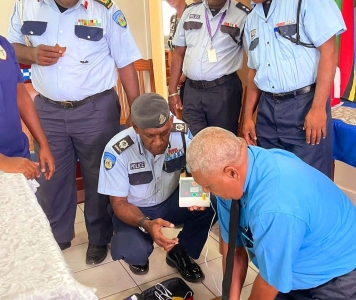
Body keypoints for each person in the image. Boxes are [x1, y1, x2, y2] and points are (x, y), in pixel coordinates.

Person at [187, 127, 356, 300]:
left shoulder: (275, 204)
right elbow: (234, 251)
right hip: (297, 264)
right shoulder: (236, 178)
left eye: (207, 186)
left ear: (231, 173)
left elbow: (270, 280)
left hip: (343, 268)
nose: (206, 192)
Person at [8, 0, 141, 264]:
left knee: (99, 177)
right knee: (51, 176)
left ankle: (99, 238)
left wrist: (138, 113)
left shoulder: (106, 9)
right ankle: (58, 235)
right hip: (47, 109)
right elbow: (10, 49)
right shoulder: (25, 5)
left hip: (96, 109)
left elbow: (125, 61)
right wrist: (33, 55)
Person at [98, 93, 217, 282]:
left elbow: (195, 170)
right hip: (135, 208)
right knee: (133, 250)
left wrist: (196, 195)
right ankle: (139, 247)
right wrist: (146, 223)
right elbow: (118, 202)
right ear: (136, 128)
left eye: (164, 133)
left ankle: (180, 252)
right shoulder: (116, 150)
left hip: (169, 201)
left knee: (211, 202)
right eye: (150, 135)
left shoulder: (182, 132)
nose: (159, 142)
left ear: (170, 121)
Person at [241, 0, 346, 178]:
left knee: (311, 179)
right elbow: (254, 71)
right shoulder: (252, 19)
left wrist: (319, 108)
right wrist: (247, 117)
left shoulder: (306, 3)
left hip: (305, 105)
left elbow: (329, 52)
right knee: (274, 176)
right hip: (267, 108)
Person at [168, 0, 250, 136]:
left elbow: (254, 59)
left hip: (223, 93)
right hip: (192, 92)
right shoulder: (190, 12)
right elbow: (178, 53)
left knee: (222, 144)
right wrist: (172, 91)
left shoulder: (243, 15)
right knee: (193, 143)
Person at [0, 35, 54, 180]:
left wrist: (43, 144)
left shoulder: (3, 44)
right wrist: (3, 162)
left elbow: (21, 96)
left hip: (18, 154)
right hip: (6, 163)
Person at [166, 0, 187, 117]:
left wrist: (183, 75)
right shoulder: (173, 18)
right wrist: (173, 74)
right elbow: (171, 49)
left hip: (188, 77)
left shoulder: (190, 14)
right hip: (176, 76)